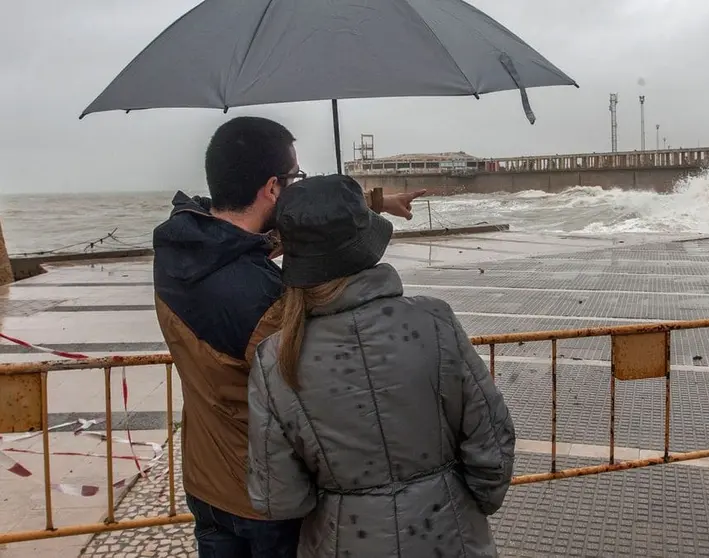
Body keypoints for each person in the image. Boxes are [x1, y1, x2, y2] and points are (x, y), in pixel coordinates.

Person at [152, 116, 425, 557]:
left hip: (204, 480)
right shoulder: (266, 302)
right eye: (294, 178)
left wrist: (375, 202)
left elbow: (267, 234)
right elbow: (317, 400)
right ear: (272, 188)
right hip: (262, 496)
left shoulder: (180, 248)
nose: (297, 186)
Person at [246, 175, 516, 557]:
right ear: (367, 244)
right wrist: (469, 508)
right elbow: (492, 440)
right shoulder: (434, 321)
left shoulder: (274, 359)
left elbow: (279, 497)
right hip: (451, 537)